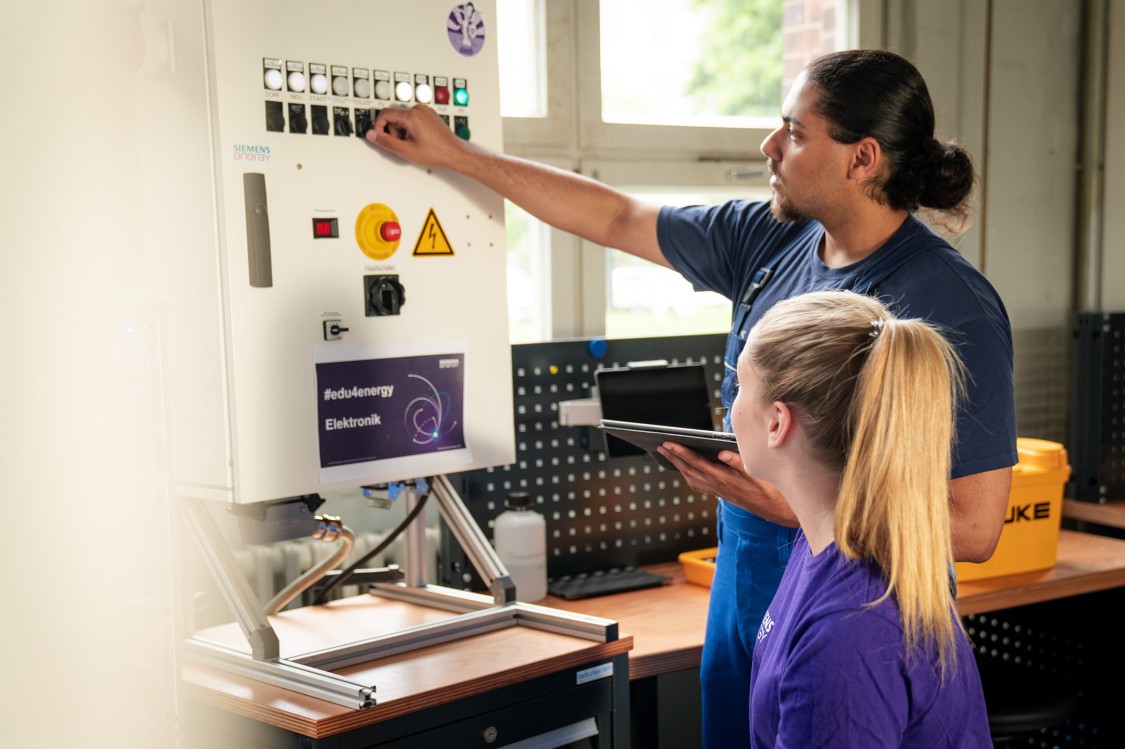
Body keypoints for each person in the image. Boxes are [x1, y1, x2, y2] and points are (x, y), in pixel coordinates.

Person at [364, 48, 1016, 748]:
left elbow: (973, 529)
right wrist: (456, 156)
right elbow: (616, 218)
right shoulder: (774, 234)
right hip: (750, 574)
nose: (768, 146)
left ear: (861, 160)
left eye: (794, 134)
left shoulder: (949, 303)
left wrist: (795, 502)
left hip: (857, 596)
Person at [731, 288, 992, 747]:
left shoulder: (846, 634)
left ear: (777, 423)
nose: (731, 408)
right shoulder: (825, 545)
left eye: (740, 387)